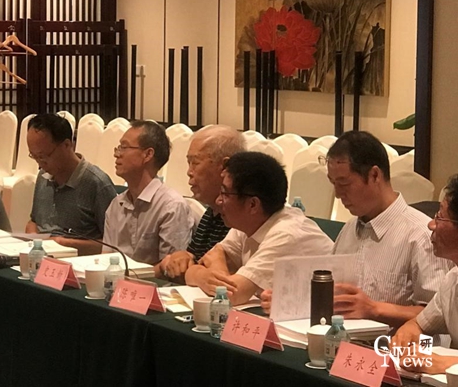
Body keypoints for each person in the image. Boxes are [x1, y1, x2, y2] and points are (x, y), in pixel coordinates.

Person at [261, 131, 450, 328]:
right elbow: (335, 297)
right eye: (333, 183)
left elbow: (440, 315)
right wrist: (288, 300)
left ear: (374, 175)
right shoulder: (349, 229)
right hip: (341, 339)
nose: (337, 194)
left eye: (344, 183)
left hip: (393, 345)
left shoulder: (421, 235)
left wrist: (374, 309)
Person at [185, 151, 333, 306]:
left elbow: (230, 295)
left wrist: (205, 274)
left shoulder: (287, 234)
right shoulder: (247, 223)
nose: (218, 200)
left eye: (225, 193)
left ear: (253, 204)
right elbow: (210, 258)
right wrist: (203, 275)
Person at [159, 125, 246, 280]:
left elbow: (218, 279)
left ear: (224, 167)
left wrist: (191, 270)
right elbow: (193, 260)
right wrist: (181, 257)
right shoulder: (212, 212)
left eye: (195, 162)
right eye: (189, 163)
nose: (189, 172)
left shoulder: (241, 219)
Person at [103, 120, 195, 266]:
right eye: (119, 147)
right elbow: (106, 261)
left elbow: (172, 269)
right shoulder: (116, 205)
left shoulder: (171, 206)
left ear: (147, 154)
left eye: (124, 147)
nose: (117, 154)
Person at [392, 174, 458, 373]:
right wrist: (408, 334)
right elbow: (419, 324)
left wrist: (448, 363)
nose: (431, 224)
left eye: (440, 217)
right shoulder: (453, 279)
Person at [25, 113, 116, 255]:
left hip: (79, 262)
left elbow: (114, 245)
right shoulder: (43, 176)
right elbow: (34, 221)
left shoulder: (97, 183)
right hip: (41, 257)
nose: (40, 163)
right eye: (34, 156)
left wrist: (65, 244)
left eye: (43, 156)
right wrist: (34, 237)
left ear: (67, 145)